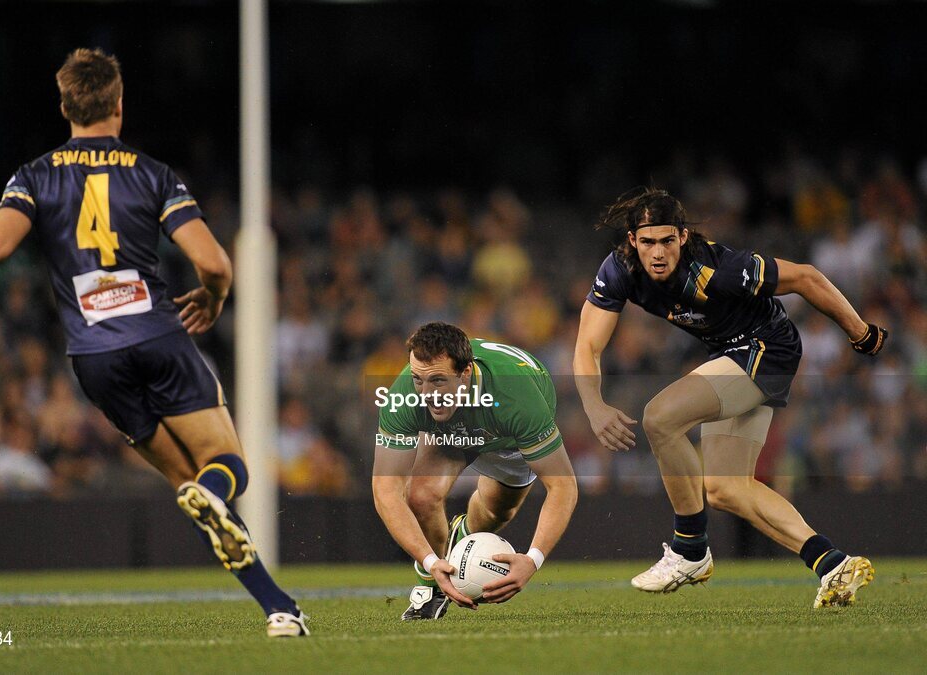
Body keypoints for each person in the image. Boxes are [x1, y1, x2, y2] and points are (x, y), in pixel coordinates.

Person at [0, 48, 309, 637]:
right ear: (119, 105)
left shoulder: (34, 175)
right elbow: (214, 262)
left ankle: (279, 608)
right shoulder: (152, 174)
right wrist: (214, 299)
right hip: (158, 335)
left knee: (187, 486)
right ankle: (243, 545)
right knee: (226, 468)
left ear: (65, 106)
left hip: (93, 358)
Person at [573, 187, 886, 608]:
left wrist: (860, 332)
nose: (658, 252)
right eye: (648, 242)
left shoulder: (718, 269)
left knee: (660, 418)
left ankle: (689, 551)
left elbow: (807, 278)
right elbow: (587, 345)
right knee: (725, 489)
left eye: (667, 240)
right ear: (632, 241)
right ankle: (832, 563)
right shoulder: (620, 269)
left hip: (766, 350)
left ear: (683, 237)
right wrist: (593, 405)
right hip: (731, 354)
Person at [373, 322, 578, 620]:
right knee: (420, 496)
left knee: (495, 514)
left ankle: (463, 534)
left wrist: (532, 560)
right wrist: (430, 562)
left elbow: (564, 486)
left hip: (508, 439)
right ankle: (431, 588)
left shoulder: (517, 397)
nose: (427, 394)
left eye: (439, 381)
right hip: (452, 431)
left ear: (465, 373)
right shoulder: (404, 397)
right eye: (418, 380)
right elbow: (385, 490)